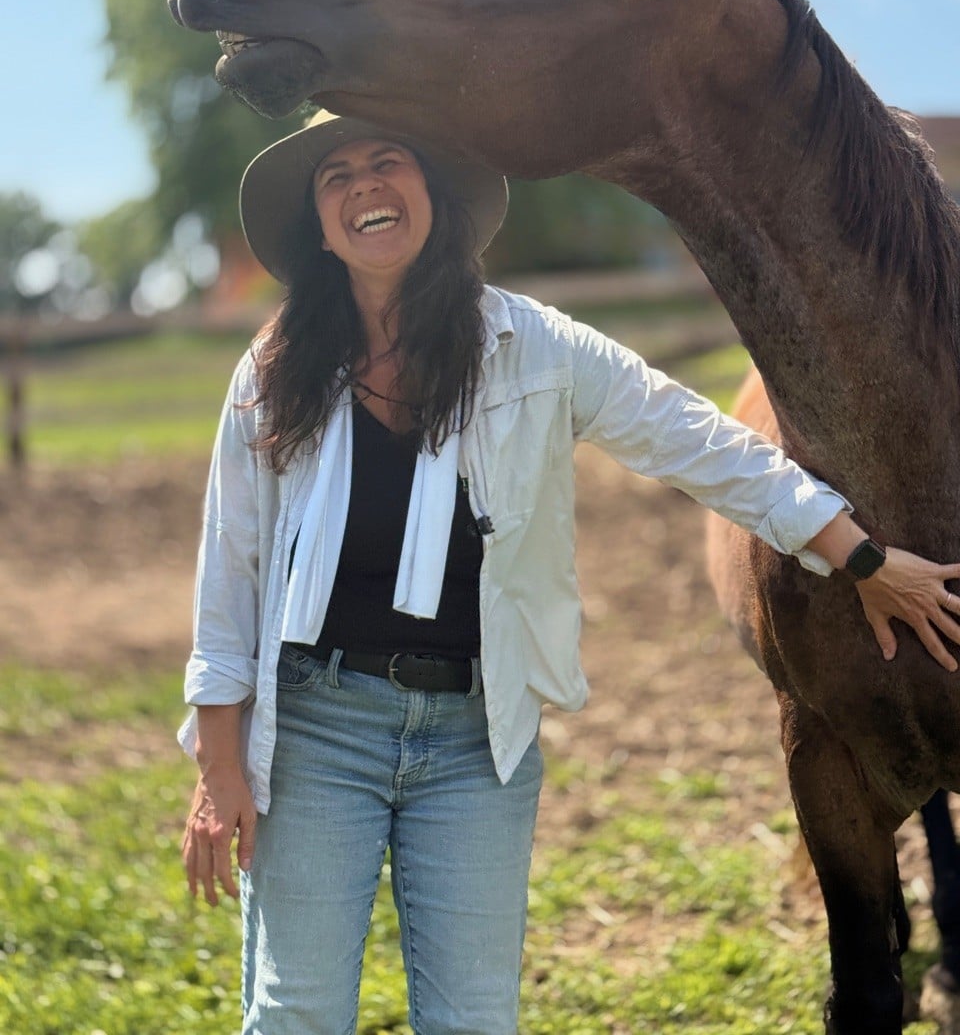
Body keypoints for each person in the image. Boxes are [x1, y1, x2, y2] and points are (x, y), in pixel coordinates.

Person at [180, 110, 960, 1035]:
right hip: (317, 729)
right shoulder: (274, 370)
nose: (366, 187)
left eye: (388, 160)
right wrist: (219, 767)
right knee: (296, 1012)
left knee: (473, 1020)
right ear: (319, 221)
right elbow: (230, 572)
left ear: (434, 192)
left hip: (474, 739)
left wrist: (861, 557)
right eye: (336, 175)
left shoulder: (532, 347)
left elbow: (700, 443)